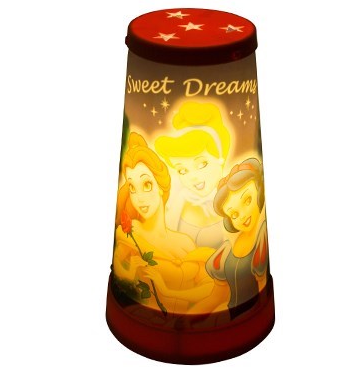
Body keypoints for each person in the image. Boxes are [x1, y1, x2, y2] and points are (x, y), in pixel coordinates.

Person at [112, 132, 227, 316]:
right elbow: (123, 279)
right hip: (143, 319)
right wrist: (130, 272)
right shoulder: (130, 233)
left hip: (191, 322)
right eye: (132, 187)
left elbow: (209, 288)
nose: (139, 198)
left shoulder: (185, 243)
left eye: (147, 184)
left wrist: (169, 292)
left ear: (161, 186)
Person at [155, 101, 231, 250]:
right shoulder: (175, 202)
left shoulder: (236, 198)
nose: (193, 177)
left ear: (220, 159)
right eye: (182, 170)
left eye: (202, 164)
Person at [206, 158, 269, 319]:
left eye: (247, 200)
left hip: (252, 318)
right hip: (230, 316)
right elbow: (216, 296)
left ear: (260, 194)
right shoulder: (227, 249)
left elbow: (262, 293)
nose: (242, 216)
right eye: (234, 214)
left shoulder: (260, 240)